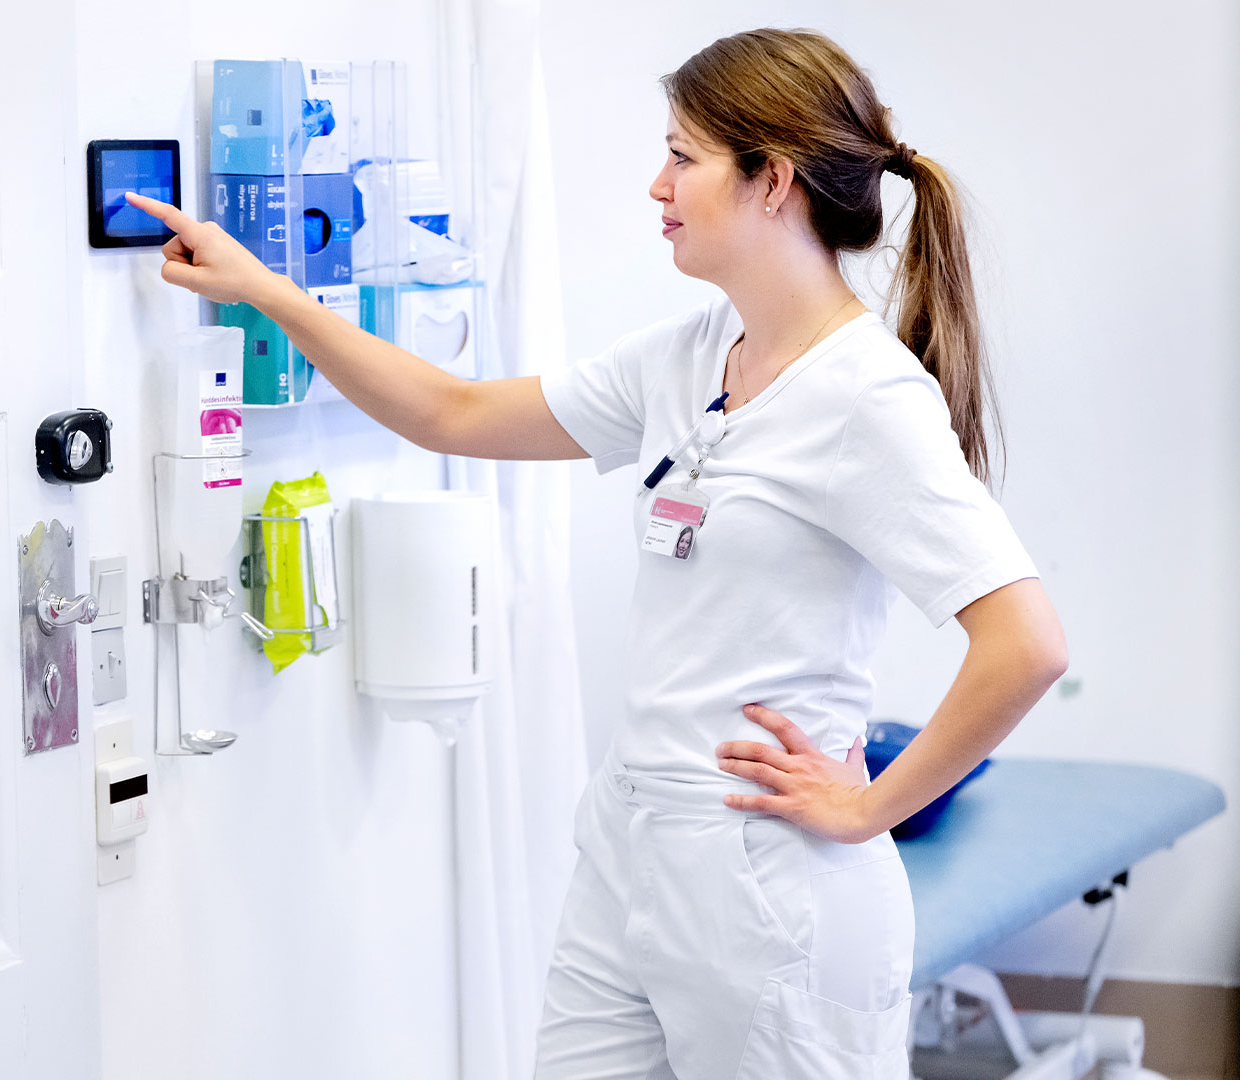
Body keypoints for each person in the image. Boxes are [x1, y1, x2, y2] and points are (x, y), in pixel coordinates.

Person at [125, 25, 1066, 1078]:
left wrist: (869, 808)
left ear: (773, 183)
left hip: (769, 877)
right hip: (629, 846)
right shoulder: (692, 355)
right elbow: (452, 411)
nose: (656, 183)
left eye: (684, 155)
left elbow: (1024, 644)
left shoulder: (869, 399)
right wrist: (267, 291)